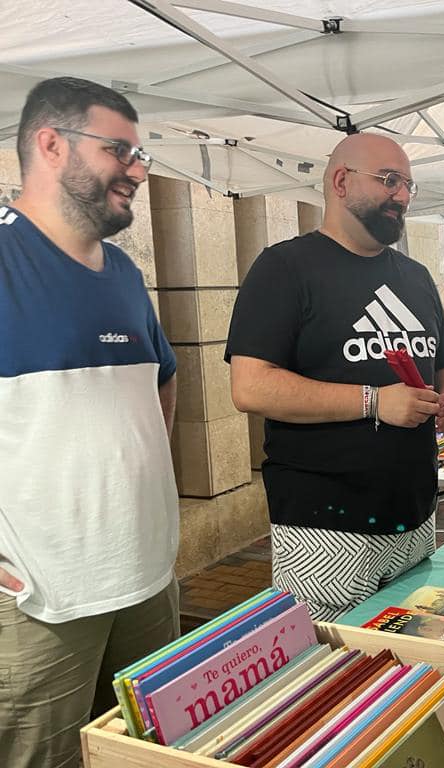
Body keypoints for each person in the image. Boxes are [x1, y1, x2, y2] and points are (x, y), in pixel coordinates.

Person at [0, 77, 179, 768]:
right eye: (120, 151)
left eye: (142, 155)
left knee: (149, 755)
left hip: (148, 579)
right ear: (51, 144)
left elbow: (161, 380)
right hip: (41, 600)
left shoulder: (124, 273)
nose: (137, 171)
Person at [226, 133, 444, 620]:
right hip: (326, 528)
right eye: (389, 180)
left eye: (408, 185)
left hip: (417, 515)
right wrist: (374, 401)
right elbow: (250, 386)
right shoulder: (284, 268)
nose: (402, 195)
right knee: (333, 659)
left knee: (406, 654)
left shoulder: (416, 276)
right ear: (341, 182)